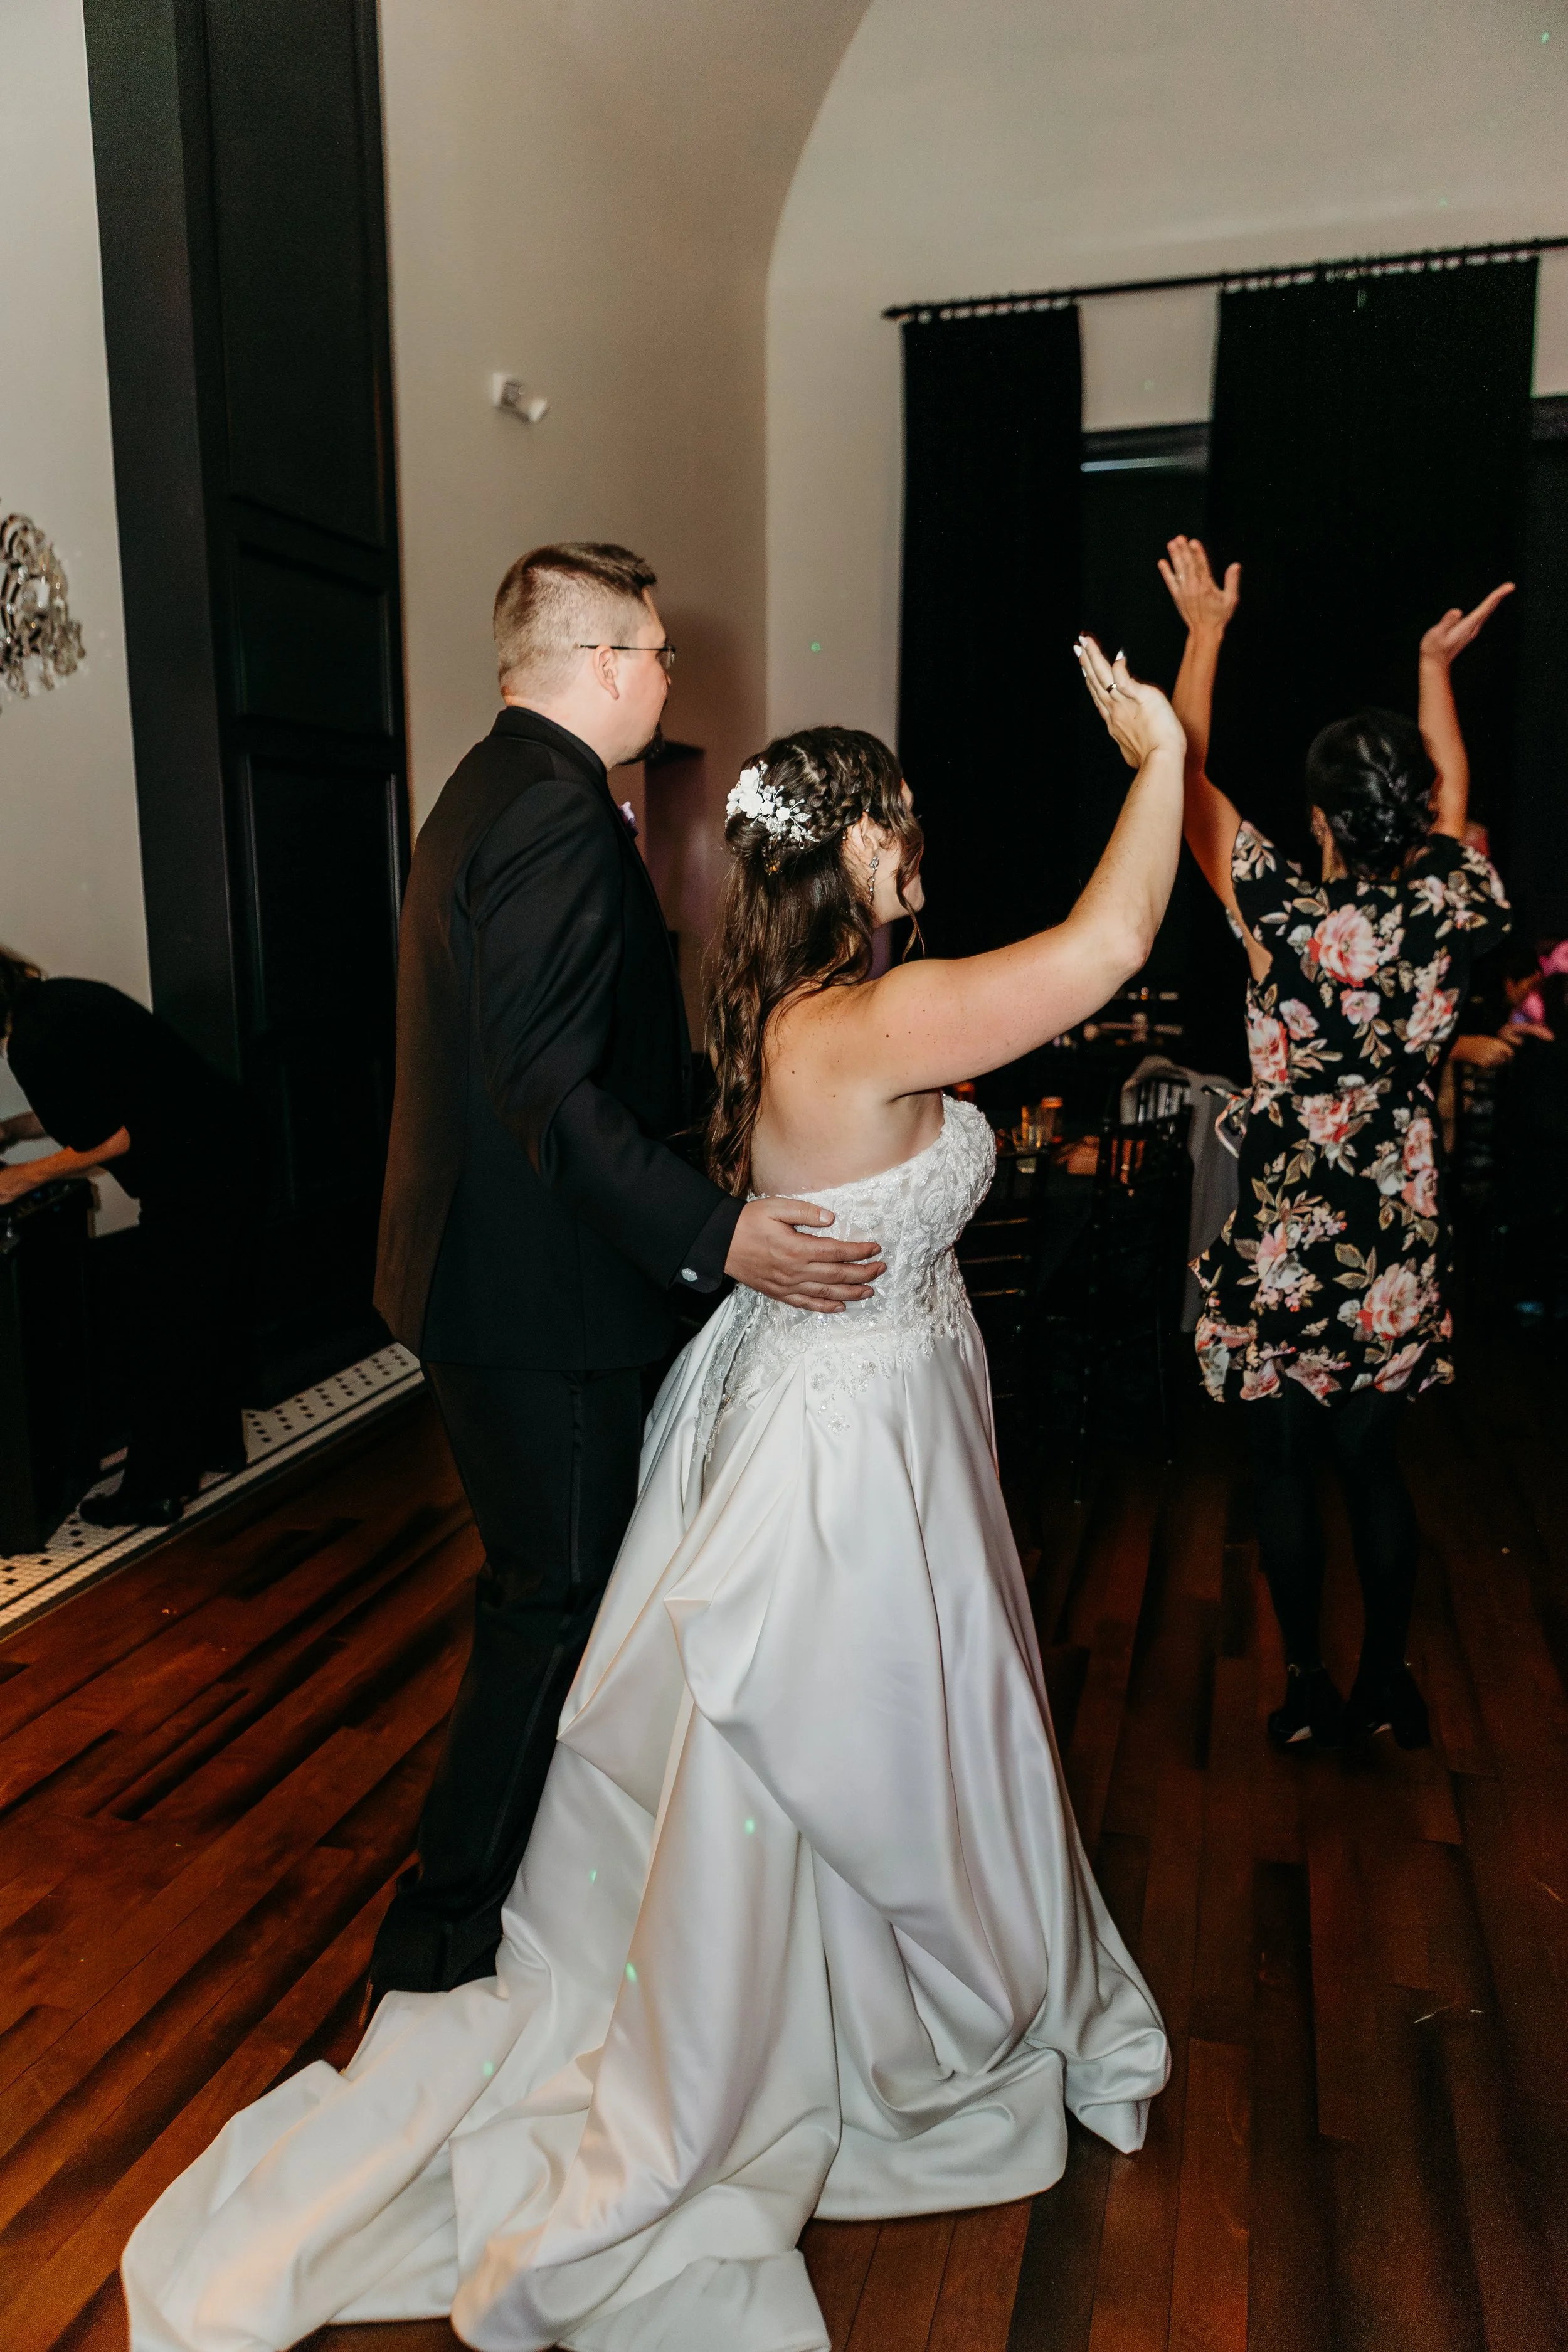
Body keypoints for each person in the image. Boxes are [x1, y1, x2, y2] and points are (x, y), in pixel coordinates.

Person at [122, 637, 1181, 2352]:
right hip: (849, 1454)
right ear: (844, 848)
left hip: (859, 1406)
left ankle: (839, 1994)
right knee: (860, 1747)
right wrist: (1160, 753)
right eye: (899, 823)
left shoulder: (788, 1007)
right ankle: (874, 2022)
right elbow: (1114, 943)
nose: (920, 845)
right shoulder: (871, 1015)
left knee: (848, 1752)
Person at [366, 544, 888, 2008]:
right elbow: (549, 1090)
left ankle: (526, 1895)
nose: (669, 673)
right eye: (657, 651)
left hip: (491, 1278)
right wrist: (718, 1232)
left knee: (559, 1594)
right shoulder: (552, 817)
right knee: (555, 1599)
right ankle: (449, 1935)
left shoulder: (488, 790)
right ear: (600, 662)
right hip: (535, 1298)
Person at [1159, 536, 1511, 1751]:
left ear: (1311, 817)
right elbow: (1454, 806)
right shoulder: (1446, 905)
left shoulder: (1276, 914)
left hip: (1283, 1238)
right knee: (1372, 1468)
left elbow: (1183, 777)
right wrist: (1433, 670)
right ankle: (1386, 1683)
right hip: (1393, 1238)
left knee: (1281, 1469)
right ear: (1409, 815)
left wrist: (1203, 632)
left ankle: (1303, 1685)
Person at [0, 950, 263, 1525]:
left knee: (168, 1329)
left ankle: (154, 1490)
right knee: (203, 1311)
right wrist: (12, 1131)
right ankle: (216, 1446)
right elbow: (97, 1096)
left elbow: (114, 1138)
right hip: (229, 1144)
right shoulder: (60, 1000)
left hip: (193, 1172)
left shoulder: (31, 1043)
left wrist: (23, 1176)